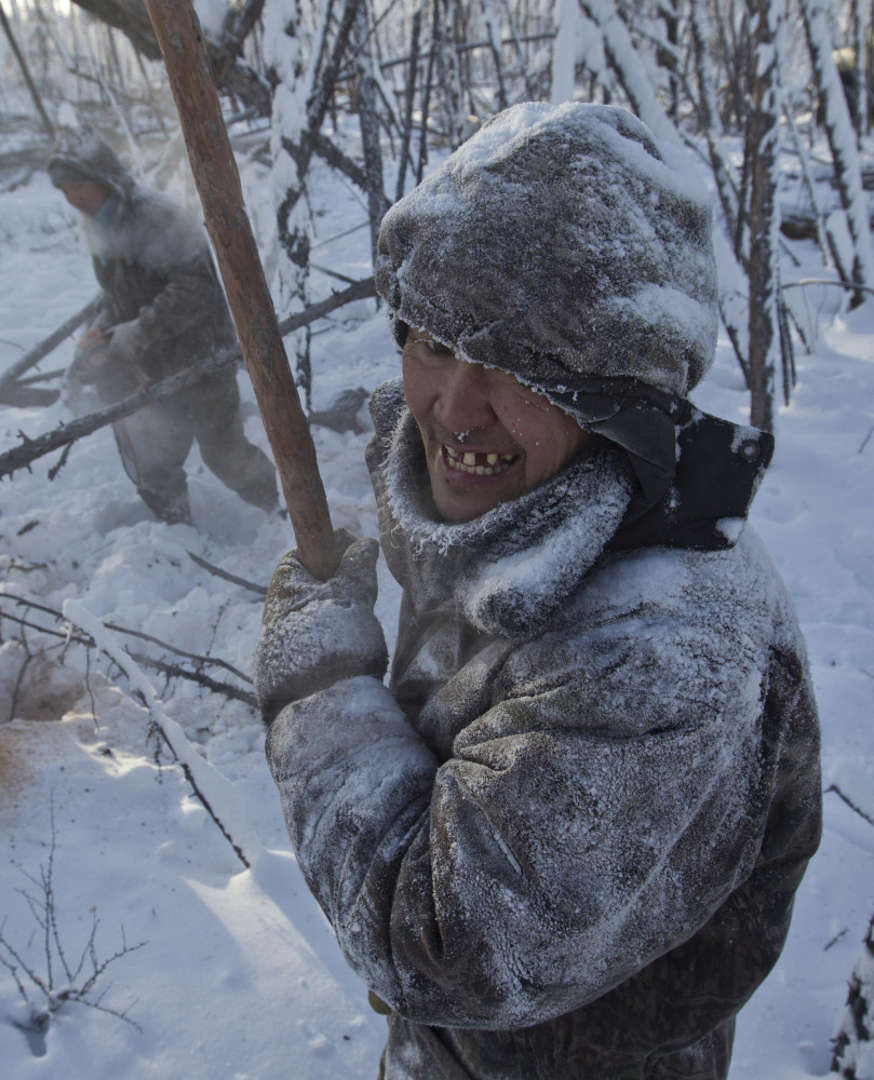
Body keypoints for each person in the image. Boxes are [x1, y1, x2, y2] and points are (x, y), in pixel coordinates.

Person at [254, 103, 822, 1079]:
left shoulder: (655, 657)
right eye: (431, 339)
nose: (453, 405)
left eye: (519, 367)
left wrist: (319, 691)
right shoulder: (537, 491)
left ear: (619, 395)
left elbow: (438, 943)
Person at [48, 127, 278, 525]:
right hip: (153, 366)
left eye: (79, 186)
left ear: (104, 178)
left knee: (224, 452)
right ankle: (176, 533)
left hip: (201, 356)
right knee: (151, 456)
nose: (73, 199)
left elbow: (196, 291)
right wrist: (102, 332)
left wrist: (133, 334)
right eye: (65, 190)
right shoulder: (101, 223)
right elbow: (120, 295)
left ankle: (284, 512)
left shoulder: (154, 218)